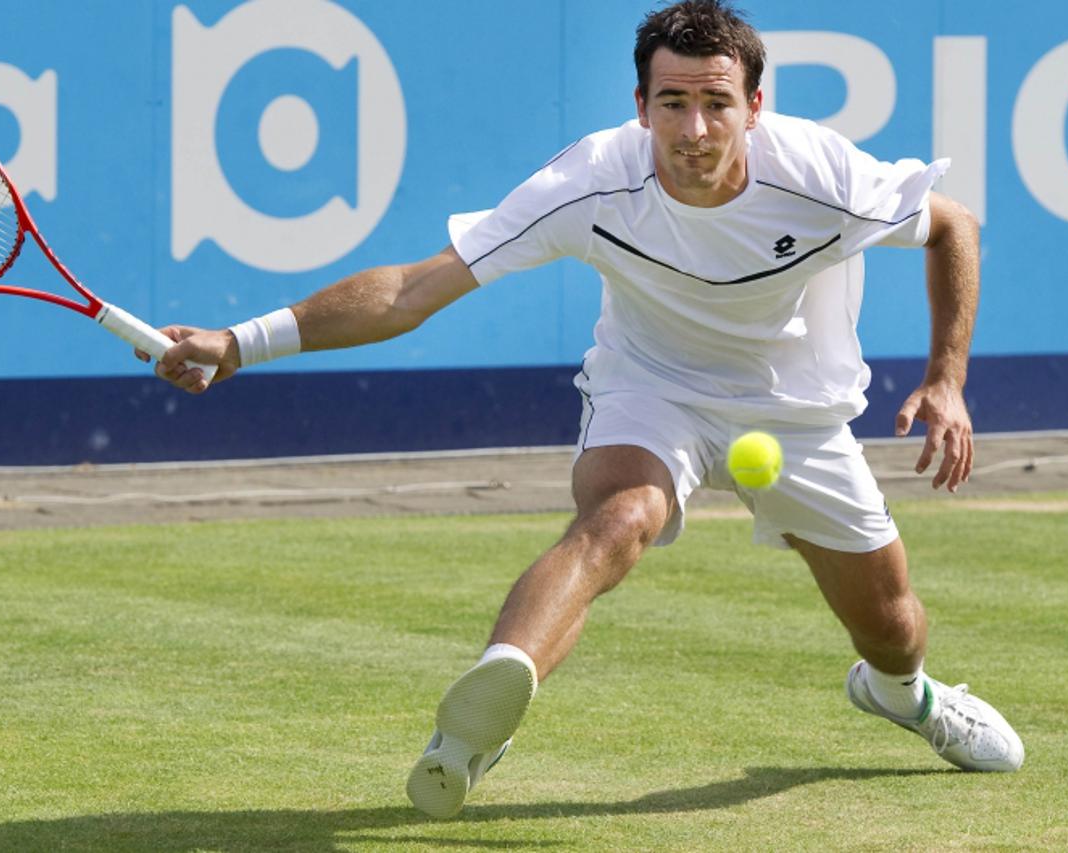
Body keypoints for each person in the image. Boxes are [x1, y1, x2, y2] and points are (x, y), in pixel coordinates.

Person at [145, 0, 1023, 820]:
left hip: (795, 411)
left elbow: (955, 227)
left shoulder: (824, 175)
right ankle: (480, 715)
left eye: (716, 103)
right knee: (618, 516)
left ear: (756, 105)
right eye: (672, 103)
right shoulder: (592, 183)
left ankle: (904, 694)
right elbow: (412, 289)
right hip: (653, 387)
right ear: (640, 105)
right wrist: (240, 342)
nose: (694, 129)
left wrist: (946, 378)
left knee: (894, 627)